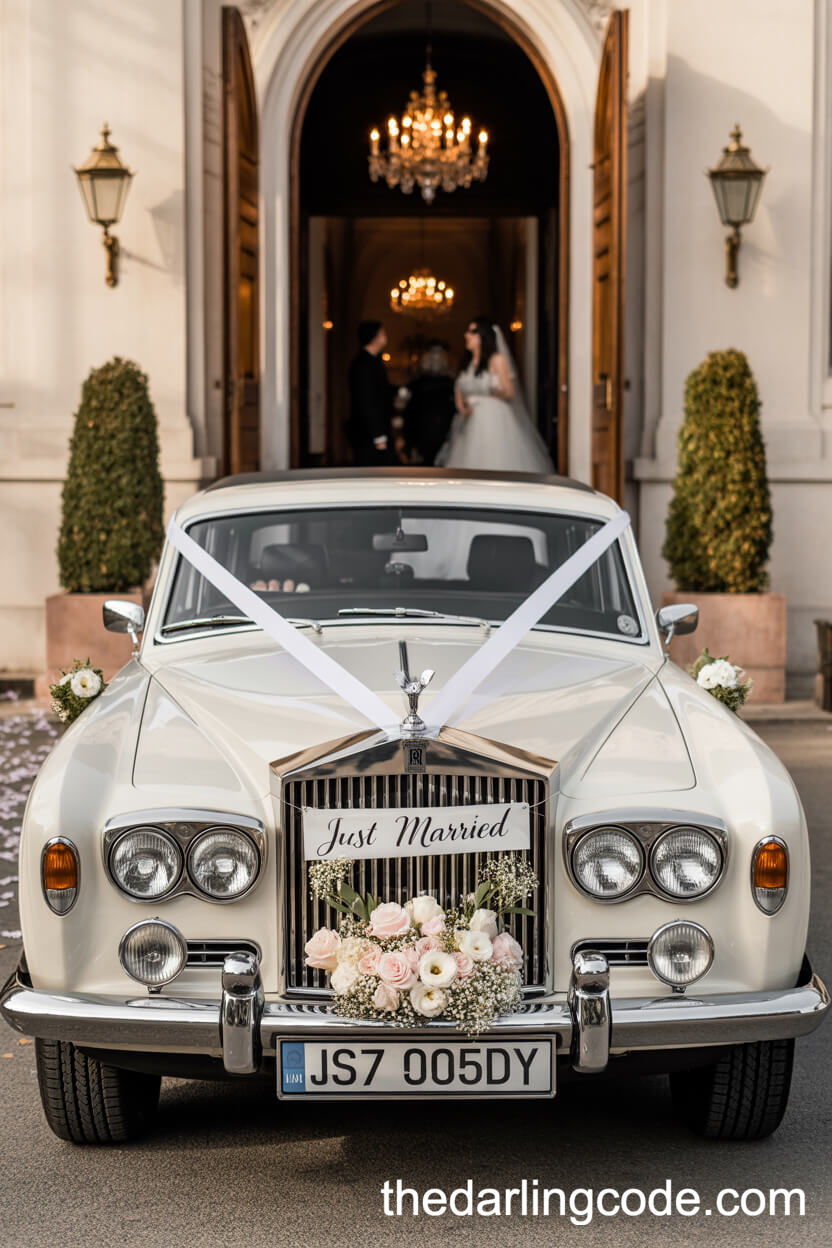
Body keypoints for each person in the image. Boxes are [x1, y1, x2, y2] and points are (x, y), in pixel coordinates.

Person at [435, 317, 554, 472]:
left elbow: (510, 392)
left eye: (472, 332)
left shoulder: (497, 360)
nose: (466, 335)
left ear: (483, 336)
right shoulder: (466, 363)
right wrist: (462, 407)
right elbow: (459, 389)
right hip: (468, 422)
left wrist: (491, 392)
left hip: (492, 419)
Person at [347, 321, 396, 466]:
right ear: (375, 337)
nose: (385, 336)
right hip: (369, 433)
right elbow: (366, 401)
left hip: (377, 429)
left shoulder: (374, 361)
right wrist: (378, 435)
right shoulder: (363, 364)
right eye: (382, 333)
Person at [402, 340, 456, 465]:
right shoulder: (446, 382)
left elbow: (410, 411)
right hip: (428, 428)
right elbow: (411, 410)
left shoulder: (421, 382)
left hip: (437, 428)